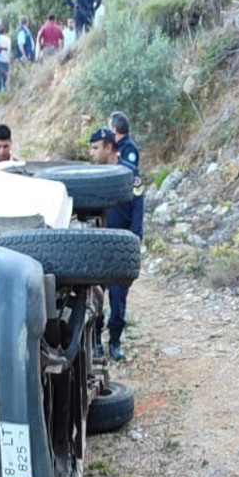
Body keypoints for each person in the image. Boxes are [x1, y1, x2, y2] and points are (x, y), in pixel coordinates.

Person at [101, 112, 144, 361]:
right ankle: (94, 341)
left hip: (121, 244)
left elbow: (138, 210)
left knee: (118, 300)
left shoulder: (131, 175)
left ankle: (115, 341)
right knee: (94, 299)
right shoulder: (93, 177)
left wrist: (135, 241)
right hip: (97, 245)